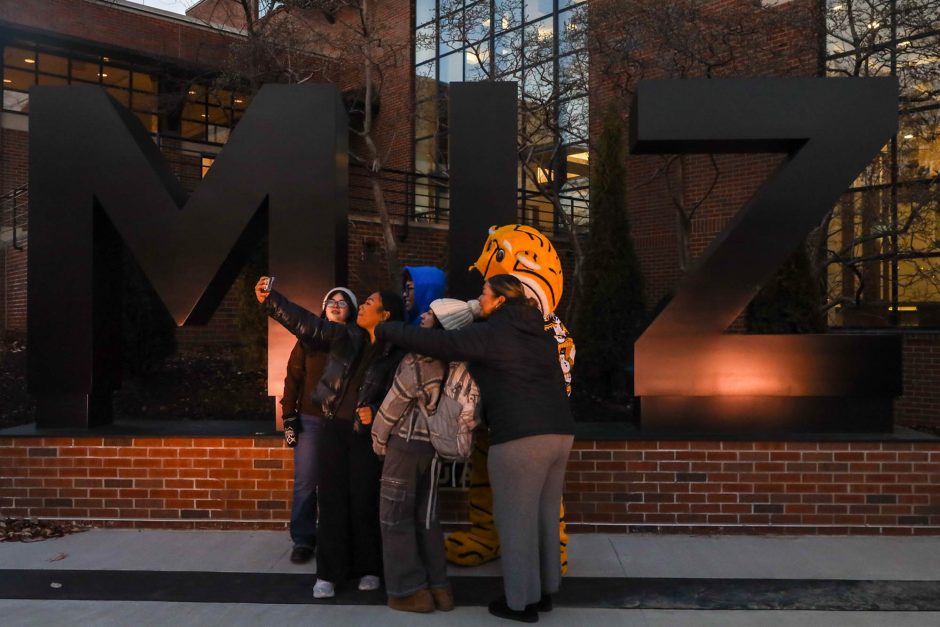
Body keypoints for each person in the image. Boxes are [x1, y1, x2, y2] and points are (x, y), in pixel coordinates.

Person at [375, 274, 576, 623]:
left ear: (499, 300)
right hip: (559, 433)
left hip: (519, 438)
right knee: (543, 517)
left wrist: (386, 329)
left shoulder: (491, 334)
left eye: (484, 294)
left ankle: (520, 605)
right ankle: (543, 594)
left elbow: (438, 344)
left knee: (515, 522)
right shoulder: (537, 332)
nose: (479, 299)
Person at [255, 277, 406, 599]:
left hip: (366, 435)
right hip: (332, 429)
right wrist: (271, 300)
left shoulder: (394, 350)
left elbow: (404, 391)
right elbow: (307, 324)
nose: (360, 307)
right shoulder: (345, 335)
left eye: (367, 304)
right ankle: (328, 573)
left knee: (364, 501)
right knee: (332, 501)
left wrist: (377, 410)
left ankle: (368, 568)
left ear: (385, 315)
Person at [371, 298, 480, 614]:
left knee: (395, 518)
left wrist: (378, 439)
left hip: (405, 445)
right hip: (434, 452)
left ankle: (408, 591)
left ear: (442, 322)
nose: (422, 315)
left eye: (430, 313)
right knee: (428, 518)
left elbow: (394, 404)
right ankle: (439, 588)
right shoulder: (460, 360)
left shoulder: (422, 358)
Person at [281, 287, 357, 564]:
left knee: (339, 483)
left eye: (343, 303)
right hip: (310, 420)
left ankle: (336, 537)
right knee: (305, 481)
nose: (336, 306)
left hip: (342, 421)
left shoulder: (355, 341)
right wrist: (289, 418)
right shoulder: (307, 340)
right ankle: (303, 539)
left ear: (352, 310)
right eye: (331, 302)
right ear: (323, 307)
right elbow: (292, 379)